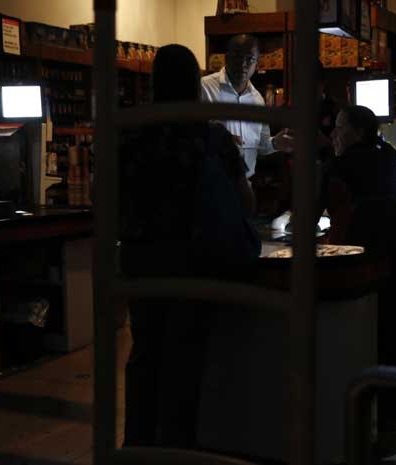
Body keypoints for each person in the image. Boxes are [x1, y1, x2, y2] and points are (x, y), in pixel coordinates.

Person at [120, 44, 259, 447]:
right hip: (193, 264)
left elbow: (105, 195)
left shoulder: (129, 133)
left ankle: (138, 445)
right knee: (184, 360)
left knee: (145, 354)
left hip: (141, 261)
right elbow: (245, 202)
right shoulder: (210, 136)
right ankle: (178, 448)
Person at [201, 34, 294, 179]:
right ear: (227, 58)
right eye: (238, 56)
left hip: (246, 185)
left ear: (257, 64)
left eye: (250, 59)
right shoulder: (204, 88)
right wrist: (218, 139)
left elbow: (262, 145)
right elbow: (189, 136)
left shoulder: (257, 100)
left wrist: (275, 142)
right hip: (213, 185)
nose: (243, 64)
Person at [322, 105, 396, 244]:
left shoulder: (338, 166)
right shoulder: (394, 159)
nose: (332, 134)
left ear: (359, 133)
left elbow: (307, 219)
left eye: (339, 128)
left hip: (350, 255)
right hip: (390, 253)